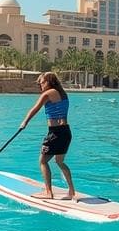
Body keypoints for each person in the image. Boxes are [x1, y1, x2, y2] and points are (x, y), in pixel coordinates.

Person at [21, 71, 77, 201]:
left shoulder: (48, 94)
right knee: (59, 161)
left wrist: (24, 122)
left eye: (41, 83)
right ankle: (71, 191)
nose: (40, 86)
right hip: (66, 132)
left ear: (48, 82)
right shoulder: (63, 93)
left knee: (43, 161)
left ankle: (48, 192)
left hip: (55, 133)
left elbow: (35, 108)